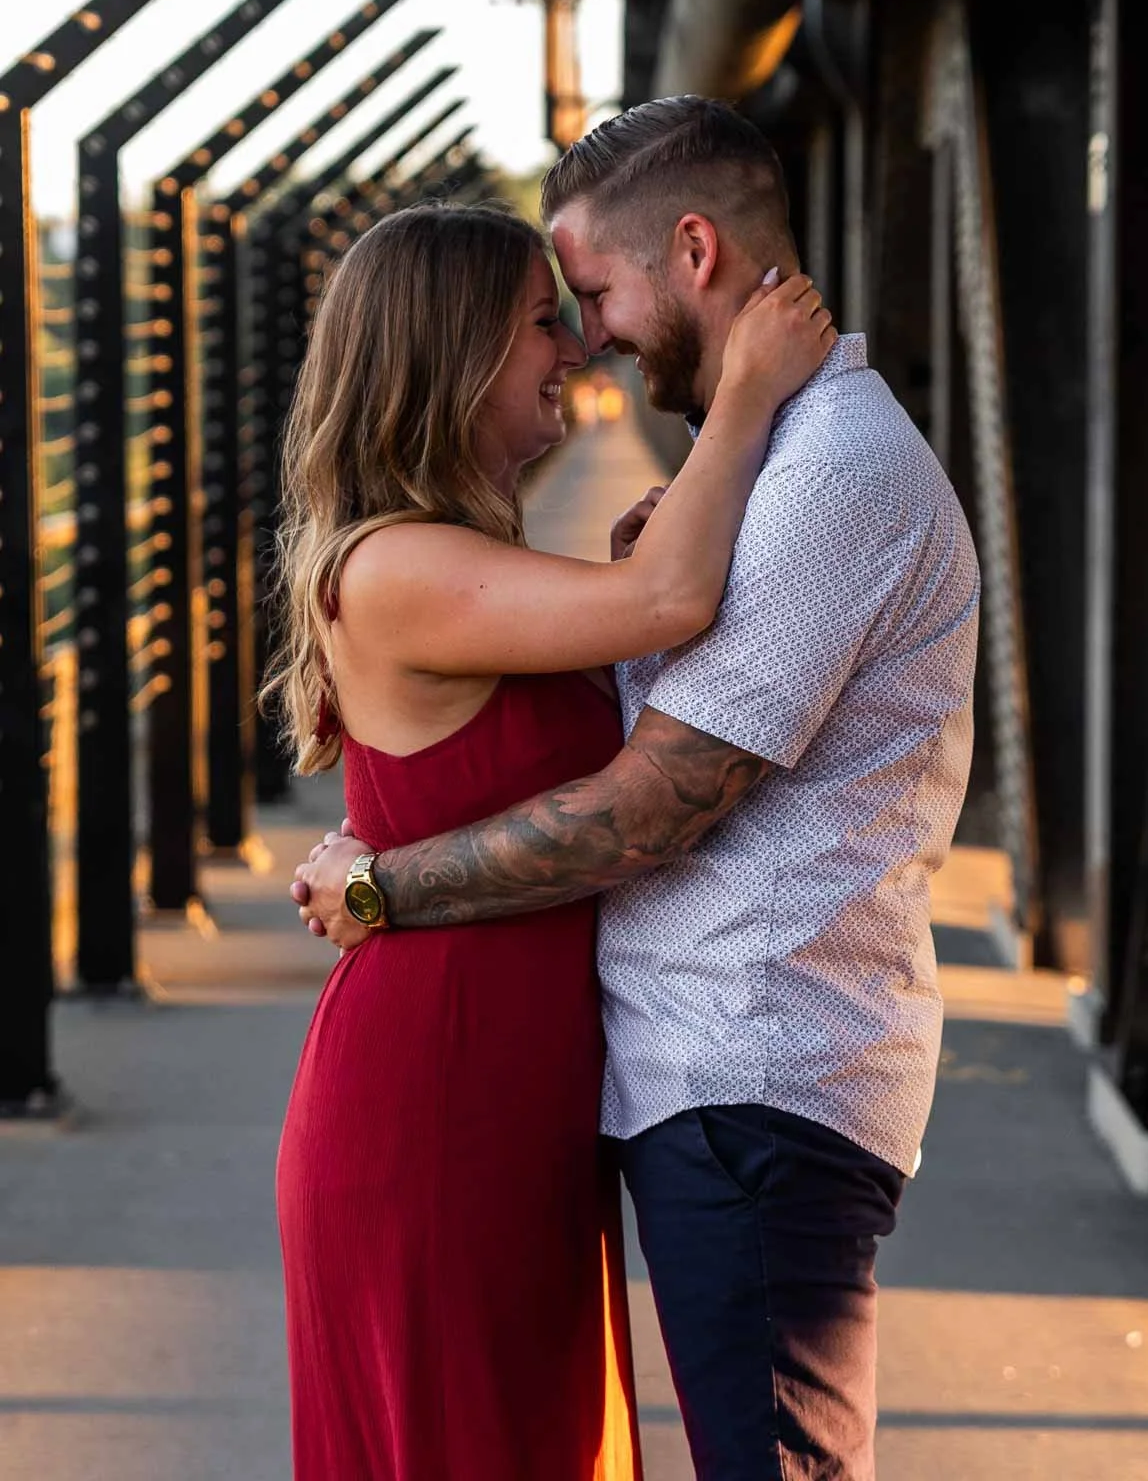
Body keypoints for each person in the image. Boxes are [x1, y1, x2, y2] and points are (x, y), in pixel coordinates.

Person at [270, 192, 835, 1481]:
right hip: (435, 1102)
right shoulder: (396, 562)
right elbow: (674, 600)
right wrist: (742, 393)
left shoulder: (466, 558)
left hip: (515, 1099)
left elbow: (643, 621)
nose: (575, 351)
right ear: (453, 350)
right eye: (541, 323)